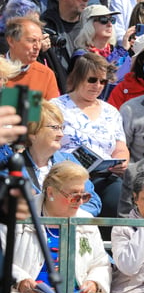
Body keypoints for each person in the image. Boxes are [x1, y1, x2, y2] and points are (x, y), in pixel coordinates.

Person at [5, 161, 111, 293]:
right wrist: (21, 280)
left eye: (84, 196)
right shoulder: (21, 215)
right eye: (74, 196)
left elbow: (101, 263)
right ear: (50, 193)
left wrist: (94, 282)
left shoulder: (86, 219)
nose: (79, 202)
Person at [52, 52, 128, 217]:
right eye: (92, 80)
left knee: (118, 195)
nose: (98, 85)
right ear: (78, 78)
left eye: (103, 81)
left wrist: (121, 162)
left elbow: (121, 147)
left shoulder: (111, 111)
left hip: (105, 175)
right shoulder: (56, 106)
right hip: (67, 176)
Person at [0, 100, 102, 216]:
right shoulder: (14, 165)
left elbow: (93, 203)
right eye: (54, 128)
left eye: (61, 128)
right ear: (33, 133)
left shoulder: (68, 161)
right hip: (28, 231)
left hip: (67, 230)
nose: (61, 134)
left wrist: (58, 213)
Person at [4, 17, 59, 99]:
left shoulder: (46, 75)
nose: (37, 47)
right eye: (31, 40)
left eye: (39, 41)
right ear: (11, 41)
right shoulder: (2, 70)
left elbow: (52, 110)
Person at [73, 5, 130, 83]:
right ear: (89, 25)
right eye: (104, 20)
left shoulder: (117, 52)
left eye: (112, 20)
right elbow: (103, 76)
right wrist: (122, 51)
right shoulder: (81, 55)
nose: (110, 24)